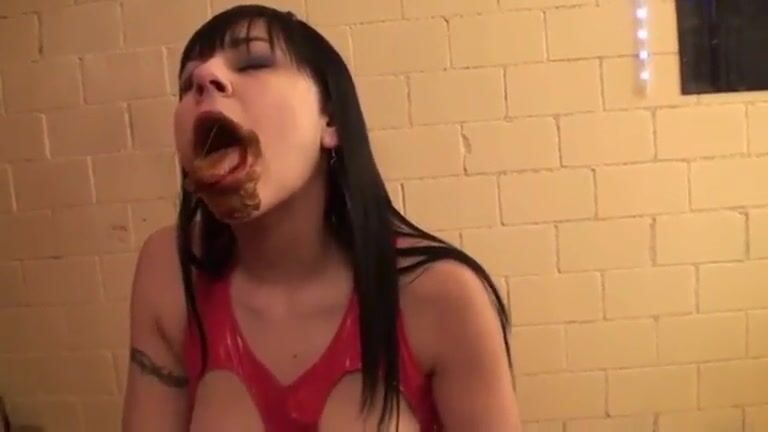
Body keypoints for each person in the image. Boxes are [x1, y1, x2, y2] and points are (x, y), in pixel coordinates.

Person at [121, 4, 522, 431]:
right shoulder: (170, 271)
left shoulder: (442, 297)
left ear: (330, 120)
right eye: (187, 84)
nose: (204, 77)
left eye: (254, 62)